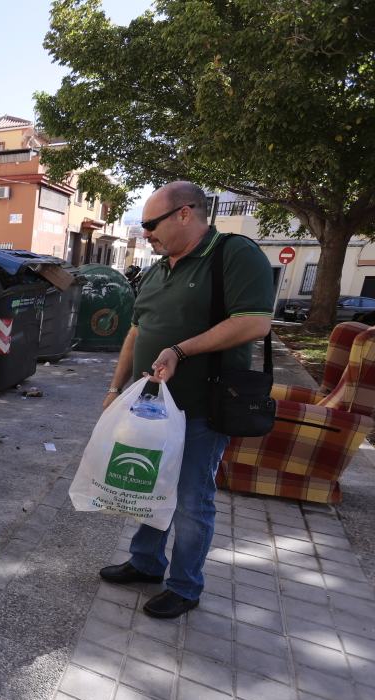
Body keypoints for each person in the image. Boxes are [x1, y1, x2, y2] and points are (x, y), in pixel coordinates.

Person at [98, 182, 273, 619]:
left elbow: (254, 323)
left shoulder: (232, 253)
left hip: (202, 407)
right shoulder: (157, 270)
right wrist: (114, 389)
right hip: (151, 409)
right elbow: (136, 333)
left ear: (185, 213)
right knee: (149, 488)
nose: (145, 234)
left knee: (192, 500)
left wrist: (180, 350)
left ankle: (184, 586)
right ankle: (145, 562)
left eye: (151, 224)